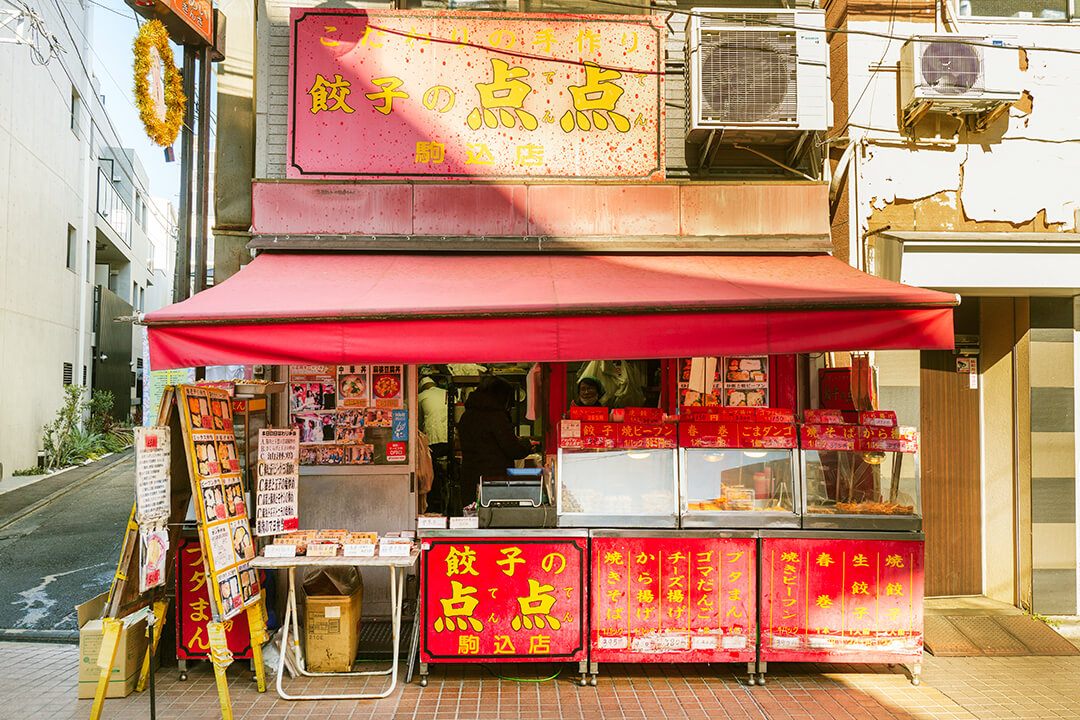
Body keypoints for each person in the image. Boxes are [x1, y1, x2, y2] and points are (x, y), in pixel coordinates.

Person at [456, 376, 537, 510]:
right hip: (493, 482)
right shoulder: (496, 417)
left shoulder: (467, 415)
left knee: (472, 518)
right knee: (493, 521)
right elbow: (513, 449)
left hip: (470, 478)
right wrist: (527, 444)